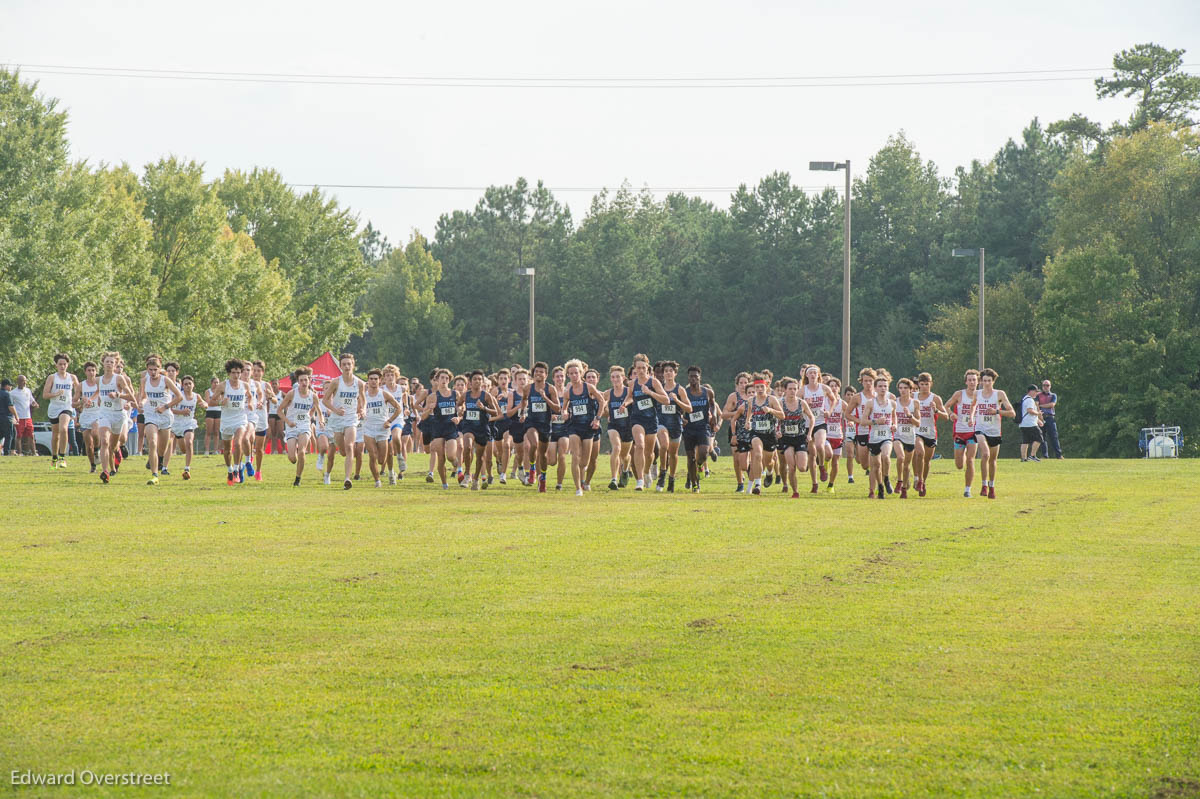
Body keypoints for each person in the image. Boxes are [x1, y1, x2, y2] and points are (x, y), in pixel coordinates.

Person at [322, 353, 365, 489]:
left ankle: (347, 478)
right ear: (340, 366)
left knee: (350, 446)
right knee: (342, 451)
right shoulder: (336, 382)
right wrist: (335, 410)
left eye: (349, 364)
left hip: (351, 418)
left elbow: (363, 400)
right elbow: (325, 400)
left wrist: (362, 410)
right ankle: (331, 471)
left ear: (353, 365)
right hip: (337, 419)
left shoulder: (359, 383)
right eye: (344, 364)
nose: (347, 366)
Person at [972, 367, 1016, 499]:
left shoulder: (999, 394)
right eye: (984, 381)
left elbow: (1012, 413)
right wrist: (971, 418)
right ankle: (984, 485)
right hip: (980, 428)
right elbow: (973, 406)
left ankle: (992, 486)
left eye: (989, 381)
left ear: (993, 381)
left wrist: (997, 411)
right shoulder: (977, 394)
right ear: (981, 381)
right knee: (985, 454)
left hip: (995, 430)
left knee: (992, 460)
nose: (986, 383)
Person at [277, 366, 323, 486]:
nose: (303, 383)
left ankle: (298, 479)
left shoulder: (313, 396)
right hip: (291, 427)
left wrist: (321, 421)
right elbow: (279, 411)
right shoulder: (292, 394)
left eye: (306, 380)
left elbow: (319, 411)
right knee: (293, 458)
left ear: (309, 381)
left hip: (304, 426)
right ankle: (295, 457)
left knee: (302, 451)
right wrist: (288, 422)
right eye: (301, 380)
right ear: (298, 381)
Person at [776, 377, 815, 499]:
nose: (792, 391)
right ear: (785, 390)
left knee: (802, 468)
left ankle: (804, 462)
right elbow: (774, 419)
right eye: (790, 389)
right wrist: (777, 430)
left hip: (799, 438)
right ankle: (795, 491)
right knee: (791, 467)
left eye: (795, 389)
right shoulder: (780, 403)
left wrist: (809, 434)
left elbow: (812, 417)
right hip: (786, 438)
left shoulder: (801, 403)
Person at [681, 366, 717, 493]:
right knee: (690, 458)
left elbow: (712, 404)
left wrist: (713, 416)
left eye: (696, 376)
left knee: (703, 453)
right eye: (691, 376)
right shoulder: (684, 392)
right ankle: (695, 484)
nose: (693, 379)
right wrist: (682, 418)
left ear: (700, 377)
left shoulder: (707, 392)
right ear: (688, 378)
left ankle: (700, 465)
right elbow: (678, 408)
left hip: (703, 427)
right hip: (689, 428)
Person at [946, 369, 980, 498]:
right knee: (959, 465)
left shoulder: (982, 395)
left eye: (974, 380)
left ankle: (967, 490)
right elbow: (946, 406)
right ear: (966, 382)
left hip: (973, 432)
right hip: (960, 432)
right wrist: (951, 414)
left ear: (978, 381)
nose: (972, 382)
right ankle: (962, 455)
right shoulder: (959, 394)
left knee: (971, 461)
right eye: (969, 380)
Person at [42, 354, 79, 468]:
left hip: (66, 407)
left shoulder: (72, 377)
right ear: (56, 365)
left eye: (64, 364)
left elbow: (79, 392)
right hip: (54, 407)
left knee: (64, 429)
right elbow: (45, 395)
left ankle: (62, 458)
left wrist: (79, 401)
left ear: (67, 365)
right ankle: (54, 458)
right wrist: (55, 394)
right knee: (56, 435)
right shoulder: (52, 377)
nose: (62, 366)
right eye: (60, 364)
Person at [170, 375, 206, 479]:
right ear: (182, 385)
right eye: (185, 384)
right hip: (177, 424)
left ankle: (187, 469)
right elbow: (169, 409)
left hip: (189, 422)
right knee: (184, 450)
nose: (188, 386)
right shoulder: (179, 396)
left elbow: (203, 402)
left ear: (193, 385)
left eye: (190, 384)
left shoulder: (196, 396)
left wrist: (205, 404)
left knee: (189, 442)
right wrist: (181, 412)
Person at [10, 375, 38, 457]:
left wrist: (35, 404)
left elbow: (32, 401)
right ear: (18, 382)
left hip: (28, 417)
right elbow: (10, 405)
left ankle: (34, 452)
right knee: (19, 436)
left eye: (25, 380)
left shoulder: (28, 391)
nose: (24, 382)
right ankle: (19, 452)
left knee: (31, 435)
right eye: (22, 381)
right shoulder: (12, 393)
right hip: (19, 418)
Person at [1019, 384, 1045, 462]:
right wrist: (1038, 413)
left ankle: (1023, 458)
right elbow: (1030, 411)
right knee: (1039, 438)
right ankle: (1032, 455)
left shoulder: (1024, 399)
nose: (1036, 393)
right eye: (1035, 391)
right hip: (1030, 424)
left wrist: (1038, 420)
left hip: (1023, 423)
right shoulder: (1030, 400)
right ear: (1030, 391)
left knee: (1025, 441)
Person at [1038, 380, 1063, 459]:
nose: (1045, 387)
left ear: (1050, 386)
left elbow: (1052, 405)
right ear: (1042, 386)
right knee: (1042, 437)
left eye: (1047, 385)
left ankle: (1058, 455)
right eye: (1044, 385)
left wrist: (1041, 405)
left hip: (1050, 417)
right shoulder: (1038, 395)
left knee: (1054, 436)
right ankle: (1045, 455)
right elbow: (1036, 405)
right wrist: (1039, 415)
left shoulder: (1053, 395)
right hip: (1041, 417)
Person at [203, 377, 221, 455]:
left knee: (216, 432)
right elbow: (208, 402)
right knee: (209, 431)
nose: (216, 384)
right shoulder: (208, 391)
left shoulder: (221, 392)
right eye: (214, 382)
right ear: (211, 383)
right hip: (210, 411)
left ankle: (215, 450)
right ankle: (207, 450)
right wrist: (217, 402)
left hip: (218, 412)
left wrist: (214, 402)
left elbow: (222, 401)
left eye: (217, 382)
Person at [0, 379, 16, 456]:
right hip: (6, 418)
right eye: (10, 386)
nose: (11, 387)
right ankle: (6, 452)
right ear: (6, 386)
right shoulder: (7, 394)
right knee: (9, 436)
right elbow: (11, 407)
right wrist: (16, 416)